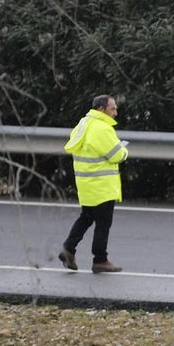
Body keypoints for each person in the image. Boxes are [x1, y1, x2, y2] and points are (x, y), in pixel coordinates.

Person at [58, 94, 129, 273]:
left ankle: (68, 249)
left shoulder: (83, 124)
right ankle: (100, 260)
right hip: (102, 185)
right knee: (103, 223)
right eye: (112, 109)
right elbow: (117, 155)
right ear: (101, 109)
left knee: (86, 218)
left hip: (86, 183)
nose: (115, 113)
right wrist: (124, 150)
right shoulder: (102, 128)